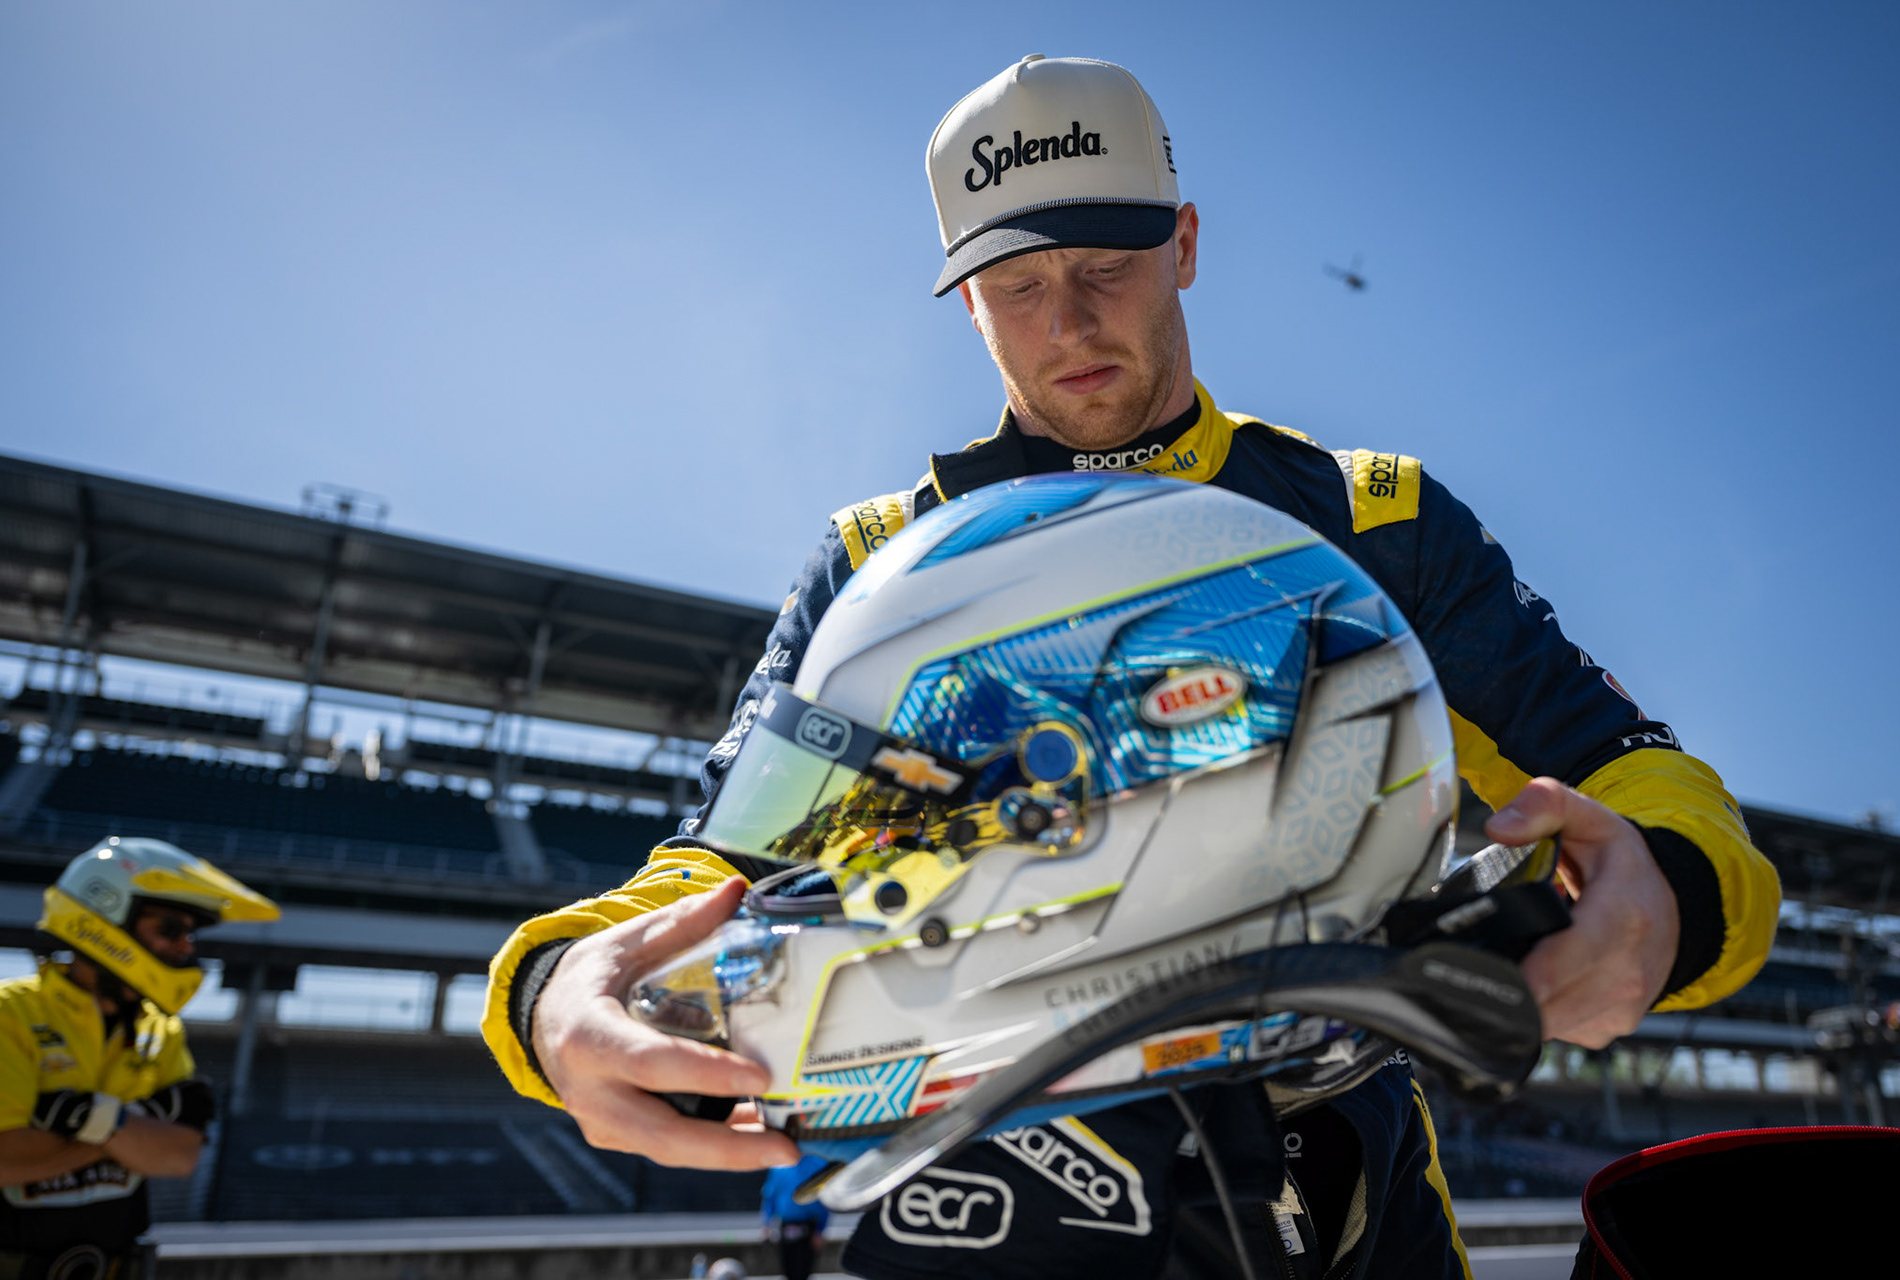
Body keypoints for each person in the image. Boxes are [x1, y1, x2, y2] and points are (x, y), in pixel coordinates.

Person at [481, 56, 1780, 1277]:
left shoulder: (1373, 519)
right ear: (963, 298)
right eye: (1016, 288)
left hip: (1342, 1194)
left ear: (1189, 246)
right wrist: (551, 991)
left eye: (1109, 263)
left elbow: (1628, 770)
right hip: (963, 1191)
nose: (1070, 322)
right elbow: (722, 864)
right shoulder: (880, 556)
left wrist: (1667, 889)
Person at [0, 838, 278, 1277]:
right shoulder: (10, 1013)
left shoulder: (159, 1030)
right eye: (170, 929)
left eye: (190, 934)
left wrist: (90, 1119)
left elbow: (180, 1156)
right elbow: (5, 1158)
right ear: (104, 912)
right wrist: (131, 1130)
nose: (185, 947)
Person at [762, 1155, 830, 1280]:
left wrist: (820, 1230)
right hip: (786, 1224)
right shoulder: (778, 1167)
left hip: (809, 1226)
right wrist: (767, 1223)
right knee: (788, 1269)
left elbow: (824, 1200)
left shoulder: (818, 1164)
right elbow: (769, 1197)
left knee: (804, 1270)